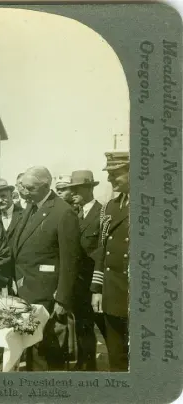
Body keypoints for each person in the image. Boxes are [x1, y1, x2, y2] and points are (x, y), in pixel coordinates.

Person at [11, 166, 81, 371]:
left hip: (47, 295)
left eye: (29, 188)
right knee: (34, 347)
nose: (23, 191)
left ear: (45, 186)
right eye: (22, 186)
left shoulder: (62, 212)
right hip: (27, 290)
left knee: (47, 352)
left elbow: (70, 260)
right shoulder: (31, 207)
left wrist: (62, 298)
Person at [91, 151, 130, 372]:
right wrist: (97, 289)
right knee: (117, 358)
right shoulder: (110, 207)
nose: (109, 179)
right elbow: (102, 250)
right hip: (113, 293)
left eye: (115, 174)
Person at [61, 170, 104, 371]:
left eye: (77, 189)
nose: (73, 192)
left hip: (94, 282)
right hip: (77, 282)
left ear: (89, 188)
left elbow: (103, 251)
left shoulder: (102, 213)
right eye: (72, 189)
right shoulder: (74, 214)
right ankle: (85, 362)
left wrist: (98, 285)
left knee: (103, 327)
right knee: (81, 324)